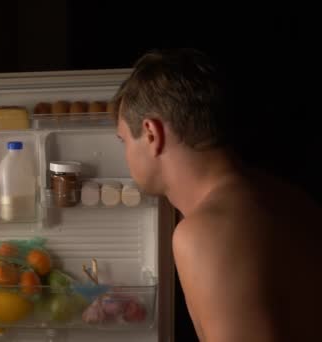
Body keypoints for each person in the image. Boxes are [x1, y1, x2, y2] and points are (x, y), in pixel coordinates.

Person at [114, 49, 322, 341]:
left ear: (151, 134)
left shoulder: (205, 234)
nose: (125, 154)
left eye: (123, 139)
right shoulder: (290, 198)